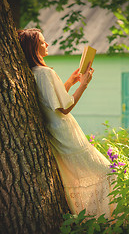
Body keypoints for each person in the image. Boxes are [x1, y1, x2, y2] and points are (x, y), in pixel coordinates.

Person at [17, 28, 113, 219]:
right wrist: (83, 84)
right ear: (34, 46)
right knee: (107, 172)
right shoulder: (45, 73)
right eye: (43, 42)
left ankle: (92, 218)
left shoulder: (33, 73)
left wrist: (69, 81)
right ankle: (104, 219)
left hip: (56, 135)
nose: (47, 44)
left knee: (78, 178)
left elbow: (51, 100)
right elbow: (64, 108)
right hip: (66, 134)